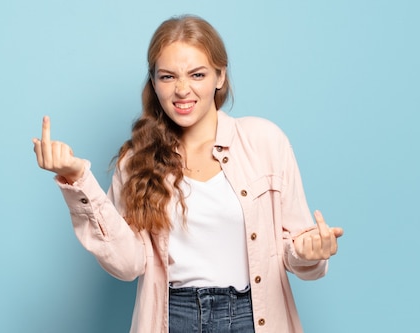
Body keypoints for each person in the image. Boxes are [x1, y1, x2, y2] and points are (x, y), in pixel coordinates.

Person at [32, 14, 343, 333]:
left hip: (253, 317)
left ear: (220, 76)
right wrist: (77, 179)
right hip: (171, 318)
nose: (182, 90)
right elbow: (127, 265)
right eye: (167, 77)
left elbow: (300, 255)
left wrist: (309, 253)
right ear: (153, 82)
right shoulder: (137, 160)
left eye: (197, 74)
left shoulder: (265, 141)